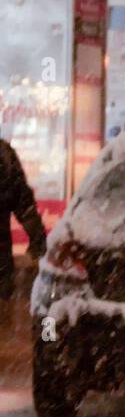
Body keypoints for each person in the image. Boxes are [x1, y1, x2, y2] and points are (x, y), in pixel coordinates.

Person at [0, 137, 47, 329]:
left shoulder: (4, 154)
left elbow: (22, 201)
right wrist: (38, 240)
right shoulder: (3, 154)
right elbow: (23, 202)